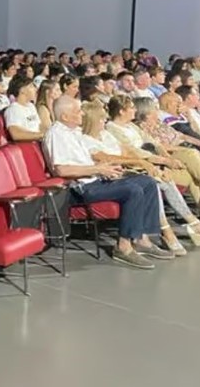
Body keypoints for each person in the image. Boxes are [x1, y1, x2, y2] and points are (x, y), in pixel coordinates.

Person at [42, 96, 170, 269]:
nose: (82, 114)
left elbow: (85, 160)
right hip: (78, 188)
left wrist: (104, 167)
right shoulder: (56, 135)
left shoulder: (74, 132)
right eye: (78, 111)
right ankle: (123, 247)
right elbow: (62, 170)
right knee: (132, 190)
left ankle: (141, 239)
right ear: (65, 117)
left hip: (94, 178)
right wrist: (98, 169)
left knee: (147, 182)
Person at [4, 76, 44, 142]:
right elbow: (16, 134)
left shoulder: (31, 106)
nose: (36, 89)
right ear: (22, 90)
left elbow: (39, 127)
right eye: (31, 86)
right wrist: (41, 135)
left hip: (37, 143)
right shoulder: (13, 110)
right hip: (26, 146)